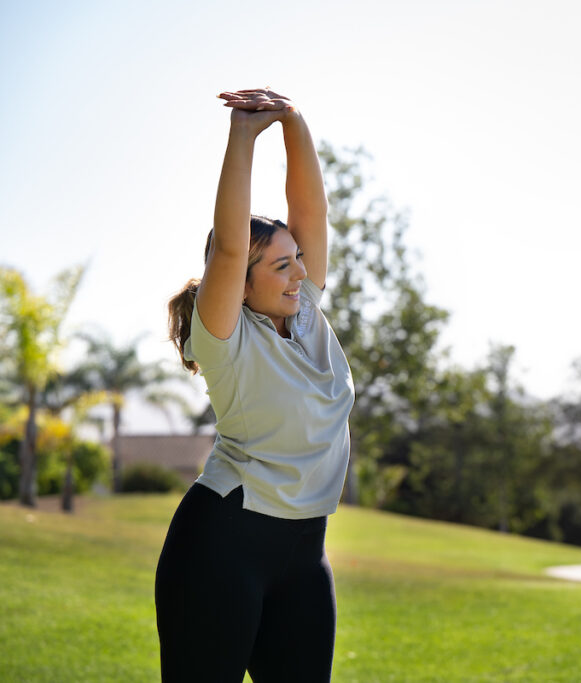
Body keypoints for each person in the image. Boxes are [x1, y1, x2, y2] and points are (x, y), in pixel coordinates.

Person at [156, 88, 354, 683]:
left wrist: (294, 121)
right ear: (240, 284)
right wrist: (242, 136)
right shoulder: (225, 336)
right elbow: (230, 246)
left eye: (298, 258)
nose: (300, 273)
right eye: (280, 265)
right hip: (223, 546)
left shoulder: (306, 312)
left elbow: (312, 209)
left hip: (305, 555)